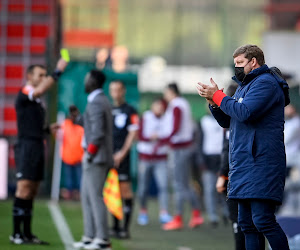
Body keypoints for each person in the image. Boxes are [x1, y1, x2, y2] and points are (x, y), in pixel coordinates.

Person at [197, 44, 290, 250]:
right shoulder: (244, 86)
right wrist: (213, 102)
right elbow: (229, 121)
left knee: (263, 221)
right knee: (248, 225)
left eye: (240, 63)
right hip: (244, 163)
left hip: (261, 162)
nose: (236, 68)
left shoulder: (266, 83)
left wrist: (220, 96)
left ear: (254, 61)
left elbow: (245, 112)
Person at [11, 58, 68, 245]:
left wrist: (46, 129)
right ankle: (16, 233)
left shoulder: (38, 102)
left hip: (37, 144)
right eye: (40, 75)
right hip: (27, 146)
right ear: (30, 76)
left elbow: (31, 124)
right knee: (23, 188)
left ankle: (27, 233)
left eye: (45, 75)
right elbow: (41, 90)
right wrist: (57, 71)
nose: (43, 78)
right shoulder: (26, 91)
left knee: (32, 190)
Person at [73, 70, 113, 250]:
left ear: (94, 82)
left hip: (96, 157)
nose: (85, 81)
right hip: (96, 155)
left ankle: (102, 239)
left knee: (95, 197)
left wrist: (90, 153)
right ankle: (90, 236)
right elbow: (92, 125)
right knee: (87, 196)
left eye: (87, 78)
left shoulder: (97, 101)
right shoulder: (98, 100)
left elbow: (97, 132)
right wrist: (78, 119)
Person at [161, 83, 204, 231]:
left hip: (179, 148)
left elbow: (175, 127)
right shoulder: (183, 103)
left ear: (171, 91)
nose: (165, 95)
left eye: (166, 92)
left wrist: (164, 140)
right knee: (185, 183)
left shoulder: (176, 104)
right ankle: (196, 214)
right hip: (185, 147)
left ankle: (178, 217)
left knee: (179, 184)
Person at [109, 80, 139, 239]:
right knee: (112, 191)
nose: (115, 93)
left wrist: (121, 153)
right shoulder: (108, 109)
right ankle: (114, 226)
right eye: (112, 90)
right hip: (109, 156)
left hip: (123, 157)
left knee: (125, 190)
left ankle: (125, 228)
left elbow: (133, 133)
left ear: (123, 91)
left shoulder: (130, 110)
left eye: (118, 89)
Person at [136, 98, 172, 225]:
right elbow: (140, 135)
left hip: (161, 158)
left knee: (163, 186)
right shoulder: (146, 117)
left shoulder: (167, 118)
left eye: (161, 106)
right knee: (143, 187)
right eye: (157, 106)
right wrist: (151, 138)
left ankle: (164, 212)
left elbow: (168, 136)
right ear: (152, 106)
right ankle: (143, 211)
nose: (159, 108)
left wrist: (159, 138)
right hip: (145, 157)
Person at [198, 110, 228, 227]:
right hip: (208, 159)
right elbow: (199, 141)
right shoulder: (203, 121)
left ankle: (226, 212)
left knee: (224, 188)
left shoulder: (226, 119)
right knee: (209, 189)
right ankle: (213, 216)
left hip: (222, 158)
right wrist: (200, 160)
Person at [60, 105, 84, 201]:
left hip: (79, 156)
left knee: (79, 178)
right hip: (68, 156)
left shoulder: (81, 125)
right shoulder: (65, 124)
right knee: (69, 178)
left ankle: (78, 193)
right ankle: (70, 193)